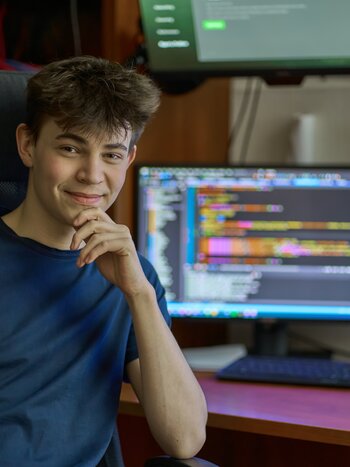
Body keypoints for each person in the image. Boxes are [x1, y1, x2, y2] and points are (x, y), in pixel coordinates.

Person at [0, 55, 207, 466]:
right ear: (28, 145)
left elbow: (184, 440)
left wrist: (139, 294)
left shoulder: (132, 278)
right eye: (71, 147)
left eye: (111, 155)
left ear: (129, 161)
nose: (92, 174)